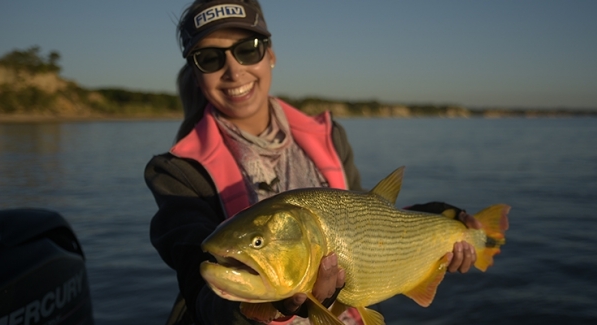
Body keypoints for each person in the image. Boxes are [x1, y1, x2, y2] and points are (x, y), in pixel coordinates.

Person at [145, 1, 480, 324]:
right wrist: (273, 306)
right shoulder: (176, 172)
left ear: (270, 55)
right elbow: (198, 286)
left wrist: (436, 217)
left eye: (248, 49)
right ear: (195, 71)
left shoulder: (330, 135)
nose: (234, 70)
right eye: (209, 58)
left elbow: (367, 219)